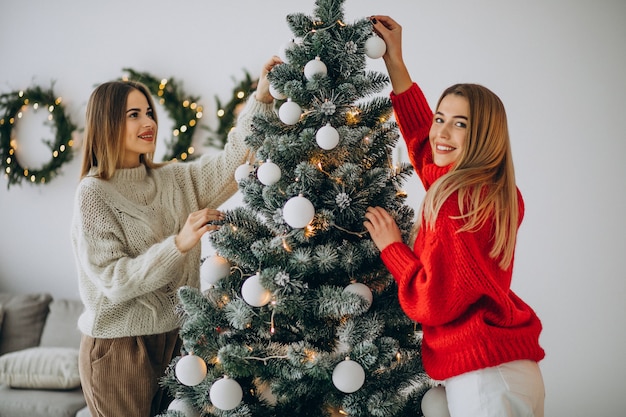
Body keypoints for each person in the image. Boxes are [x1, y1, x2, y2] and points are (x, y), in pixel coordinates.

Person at [70, 56, 283, 417]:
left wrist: (262, 97)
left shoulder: (173, 179)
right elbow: (114, 281)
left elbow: (235, 160)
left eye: (149, 112)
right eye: (133, 115)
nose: (148, 122)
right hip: (120, 350)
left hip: (180, 343)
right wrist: (179, 243)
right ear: (106, 124)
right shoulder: (93, 194)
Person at [364, 15, 545, 417]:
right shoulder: (494, 194)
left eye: (458, 124)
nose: (440, 132)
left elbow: (432, 301)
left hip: (483, 377)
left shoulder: (454, 204)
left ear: (481, 136)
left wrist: (393, 248)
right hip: (511, 368)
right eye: (439, 119)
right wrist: (396, 63)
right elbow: (427, 149)